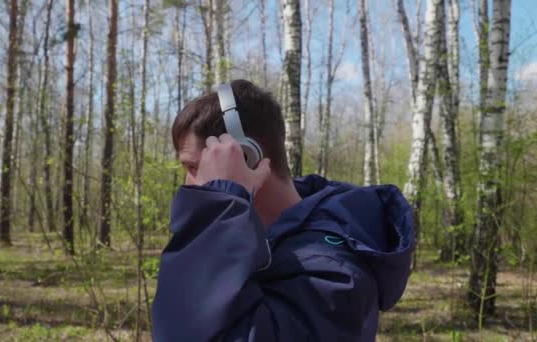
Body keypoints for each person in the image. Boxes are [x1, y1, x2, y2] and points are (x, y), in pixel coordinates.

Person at [151, 79, 414, 342]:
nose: (187, 184)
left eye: (195, 167)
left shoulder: (332, 274)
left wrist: (218, 202)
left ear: (246, 157)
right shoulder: (248, 240)